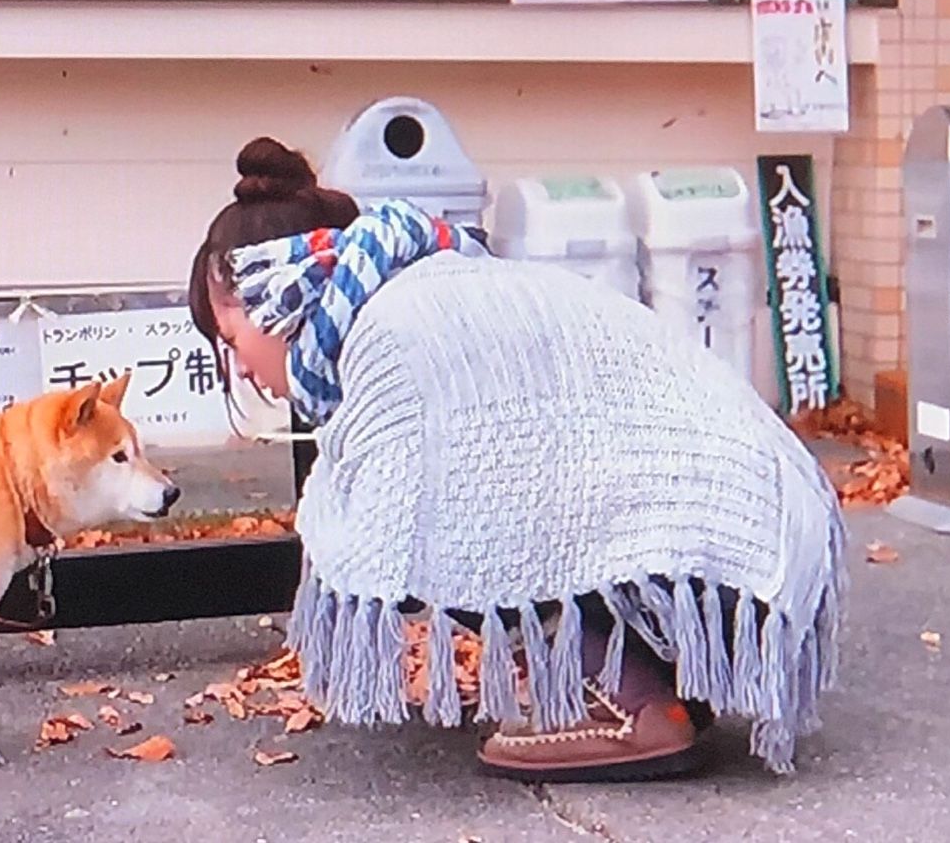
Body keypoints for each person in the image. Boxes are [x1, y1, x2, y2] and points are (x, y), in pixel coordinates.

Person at [188, 137, 847, 781]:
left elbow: (422, 522)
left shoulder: (389, 330)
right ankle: (657, 681)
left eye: (231, 337)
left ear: (273, 295)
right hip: (758, 510)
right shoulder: (414, 286)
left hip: (738, 527)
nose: (242, 369)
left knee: (448, 520)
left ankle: (633, 704)